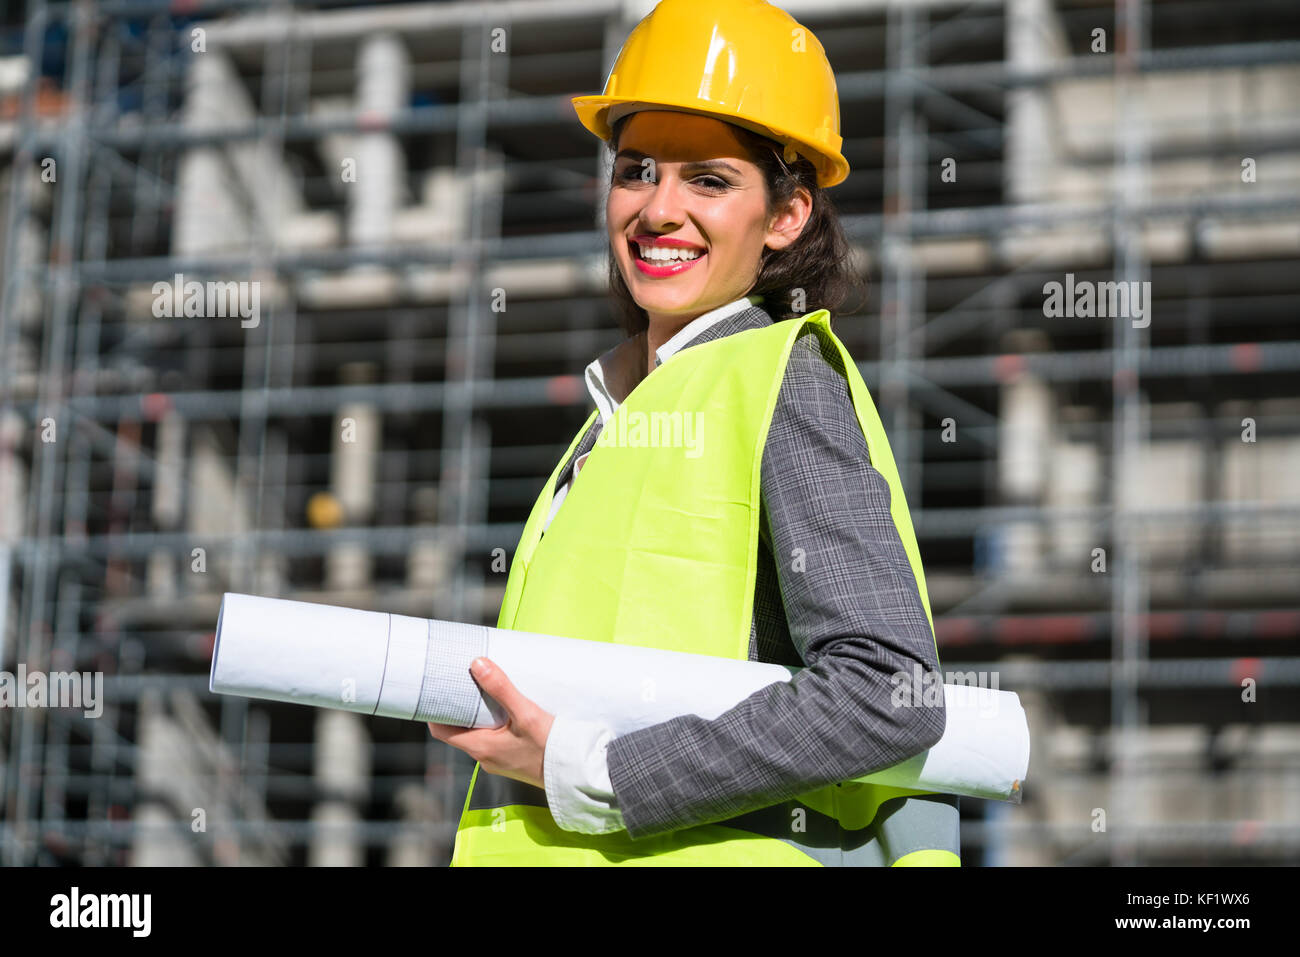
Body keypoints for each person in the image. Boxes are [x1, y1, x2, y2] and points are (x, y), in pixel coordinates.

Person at [428, 0, 958, 866]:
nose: (657, 210)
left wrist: (597, 771)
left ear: (786, 216)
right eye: (636, 171)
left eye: (708, 180)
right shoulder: (612, 419)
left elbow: (887, 690)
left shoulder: (780, 376)